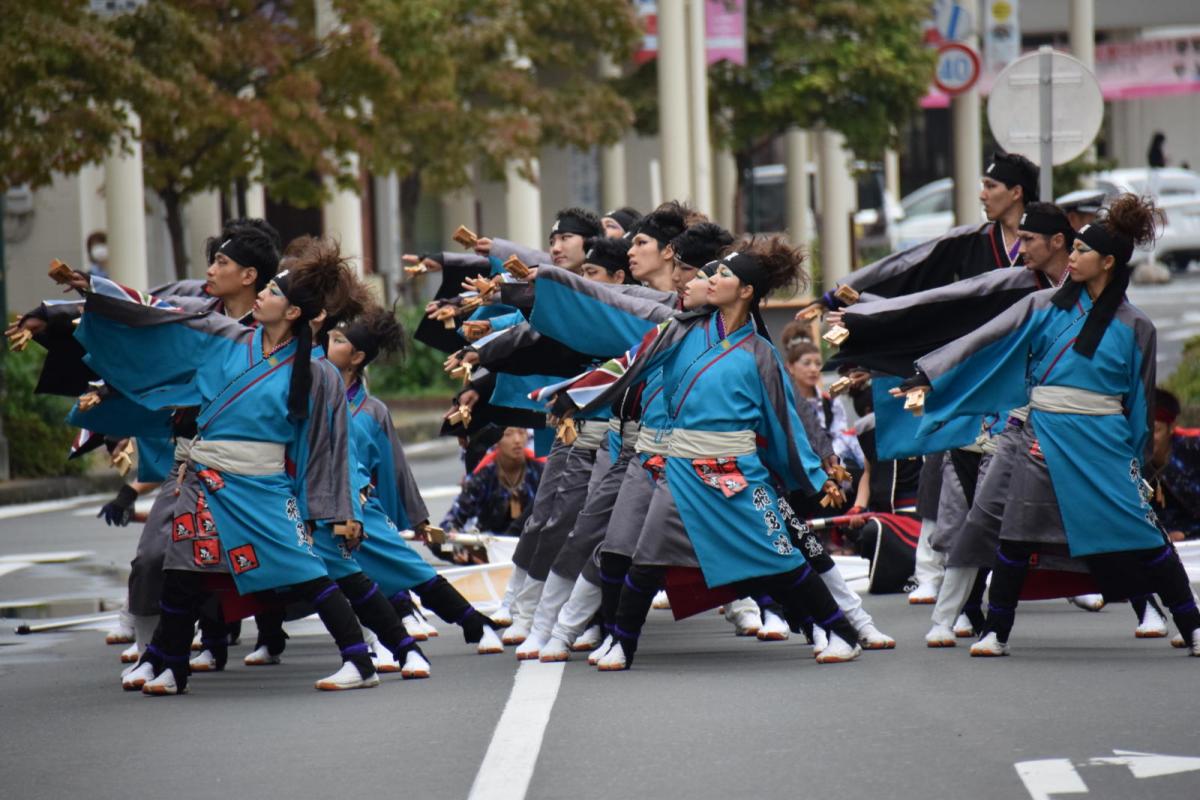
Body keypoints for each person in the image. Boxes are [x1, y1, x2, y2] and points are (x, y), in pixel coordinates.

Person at [77, 241, 385, 694]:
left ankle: (360, 661)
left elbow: (328, 447)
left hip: (261, 487)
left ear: (294, 312)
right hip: (204, 477)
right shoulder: (227, 337)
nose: (261, 296)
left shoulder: (316, 373)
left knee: (306, 571)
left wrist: (336, 508)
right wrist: (98, 292)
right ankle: (172, 668)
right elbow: (166, 313)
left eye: (274, 293)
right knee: (182, 569)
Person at [902, 194, 1200, 657]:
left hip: (1105, 442)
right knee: (1016, 534)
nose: (1073, 258)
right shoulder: (1042, 306)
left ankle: (1193, 624)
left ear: (1107, 263)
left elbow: (1138, 402)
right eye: (1073, 248)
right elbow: (985, 339)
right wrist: (929, 373)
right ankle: (996, 632)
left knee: (1144, 536)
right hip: (1044, 434)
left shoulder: (1136, 325)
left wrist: (1138, 463)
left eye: (1082, 251)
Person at [441, 427, 544, 541]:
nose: (517, 440)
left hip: (532, 544)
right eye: (508, 434)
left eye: (521, 432)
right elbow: (452, 520)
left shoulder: (541, 470)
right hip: (491, 544)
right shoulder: (484, 475)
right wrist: (455, 537)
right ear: (496, 439)